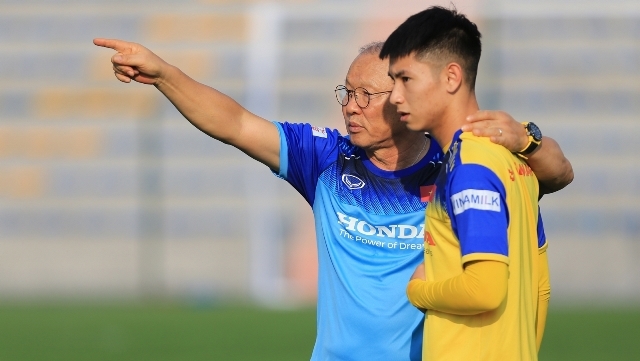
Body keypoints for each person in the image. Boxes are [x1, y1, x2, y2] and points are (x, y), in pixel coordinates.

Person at [93, 36, 572, 360]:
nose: (349, 106)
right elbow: (237, 124)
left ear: (405, 99)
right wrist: (164, 74)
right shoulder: (326, 158)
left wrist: (528, 139)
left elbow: (555, 174)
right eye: (347, 91)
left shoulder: (457, 163)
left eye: (366, 95)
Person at [381, 6, 557, 360]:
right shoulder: (510, 159)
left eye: (406, 79)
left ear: (451, 77)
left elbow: (484, 290)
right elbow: (541, 286)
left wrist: (420, 291)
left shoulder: (469, 168)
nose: (395, 96)